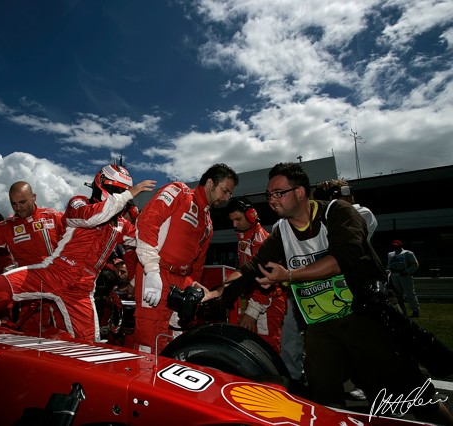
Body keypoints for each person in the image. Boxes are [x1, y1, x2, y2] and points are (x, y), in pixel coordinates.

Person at [199, 162, 452, 423]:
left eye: (278, 193)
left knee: (417, 397)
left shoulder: (338, 212)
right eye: (269, 194)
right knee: (323, 400)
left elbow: (343, 258)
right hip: (320, 328)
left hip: (366, 318)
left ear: (300, 192)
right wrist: (217, 292)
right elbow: (252, 268)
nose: (271, 200)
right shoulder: (281, 232)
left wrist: (290, 275)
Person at [0, 165, 156, 342]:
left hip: (82, 290)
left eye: (121, 192)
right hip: (55, 273)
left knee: (87, 346)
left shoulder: (121, 225)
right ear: (100, 185)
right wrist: (128, 194)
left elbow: (146, 240)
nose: (117, 196)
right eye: (114, 190)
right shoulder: (79, 203)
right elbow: (90, 218)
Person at [133, 163, 238, 354]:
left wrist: (194, 285)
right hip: (157, 273)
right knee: (149, 340)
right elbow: (147, 221)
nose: (226, 198)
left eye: (229, 194)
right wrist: (151, 269)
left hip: (183, 280)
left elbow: (198, 262)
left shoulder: (208, 224)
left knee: (180, 340)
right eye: (225, 191)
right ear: (209, 183)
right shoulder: (178, 191)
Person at [224, 197, 286, 353]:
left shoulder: (261, 240)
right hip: (256, 299)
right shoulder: (245, 238)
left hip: (268, 301)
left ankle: (270, 378)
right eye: (232, 220)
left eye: (238, 219)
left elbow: (268, 280)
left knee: (267, 349)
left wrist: (253, 311)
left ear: (251, 215)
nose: (234, 225)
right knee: (253, 347)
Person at [313, 179, 377, 240]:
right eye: (345, 196)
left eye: (350, 195)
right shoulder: (328, 215)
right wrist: (314, 192)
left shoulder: (364, 212)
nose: (349, 198)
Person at [387, 239, 420, 318]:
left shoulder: (408, 253)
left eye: (397, 245)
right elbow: (389, 265)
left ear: (401, 245)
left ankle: (415, 310)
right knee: (398, 295)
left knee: (410, 293)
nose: (395, 247)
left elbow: (415, 265)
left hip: (405, 276)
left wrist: (407, 271)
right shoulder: (390, 254)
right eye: (394, 245)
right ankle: (402, 311)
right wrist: (389, 275)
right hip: (395, 276)